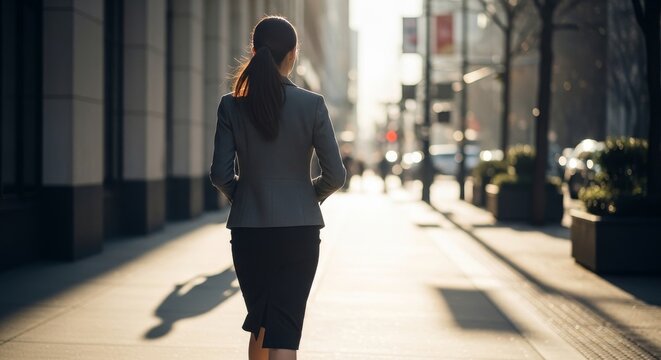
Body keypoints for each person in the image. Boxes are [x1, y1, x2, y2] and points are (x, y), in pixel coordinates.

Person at [209, 16, 346, 360]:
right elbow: (336, 175)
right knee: (284, 326)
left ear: (254, 51)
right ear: (293, 55)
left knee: (261, 322)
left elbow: (220, 174)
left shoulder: (231, 105)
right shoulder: (312, 105)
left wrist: (245, 198)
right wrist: (305, 196)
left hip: (248, 229)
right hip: (299, 230)